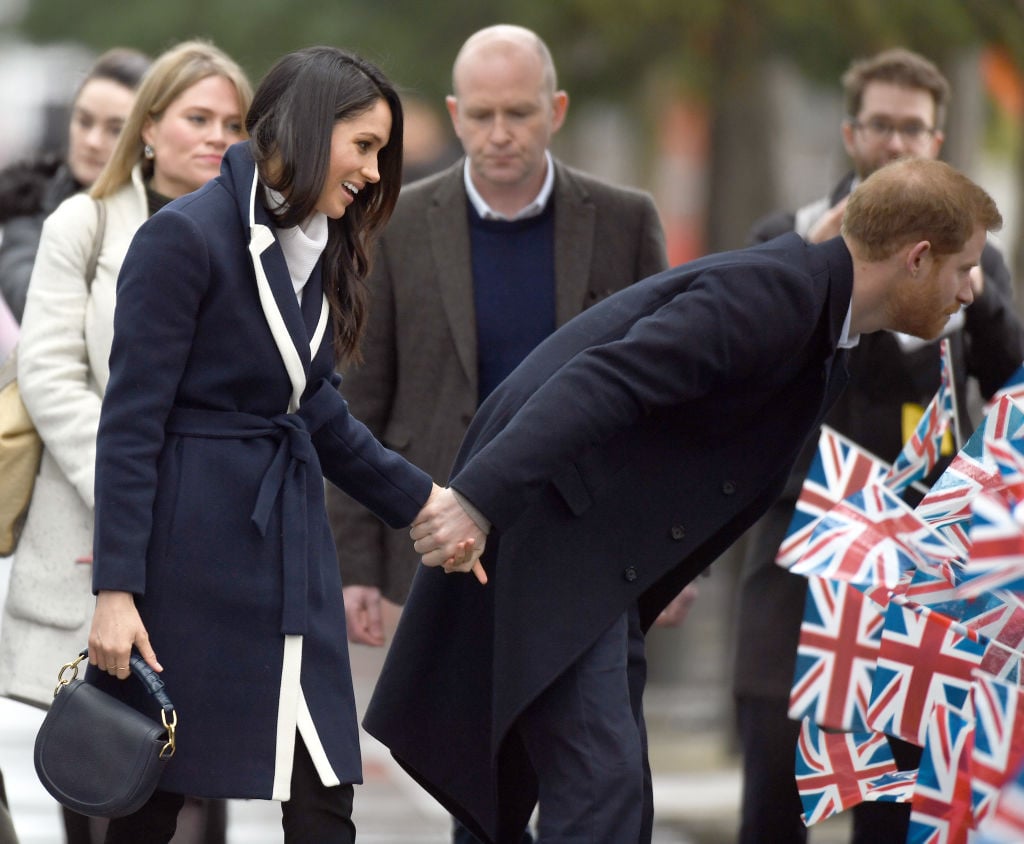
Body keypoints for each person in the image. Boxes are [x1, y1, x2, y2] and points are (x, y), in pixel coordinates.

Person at [364, 156, 1003, 844]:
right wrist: (477, 501)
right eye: (966, 268)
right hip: (557, 543)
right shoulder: (777, 296)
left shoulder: (820, 315)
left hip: (600, 564)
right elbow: (603, 379)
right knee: (600, 792)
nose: (973, 291)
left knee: (610, 798)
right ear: (916, 257)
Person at [82, 45, 471, 844]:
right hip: (188, 558)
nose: (371, 169)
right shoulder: (182, 238)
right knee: (152, 787)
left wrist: (427, 503)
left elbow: (316, 410)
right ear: (308, 123)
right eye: (362, 144)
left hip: (293, 552)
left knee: (326, 784)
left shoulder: (322, 244)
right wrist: (115, 592)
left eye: (380, 151)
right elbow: (129, 426)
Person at [732, 48, 1024, 844]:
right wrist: (814, 267)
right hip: (801, 544)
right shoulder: (786, 237)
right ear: (851, 133)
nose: (897, 146)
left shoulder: (976, 263)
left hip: (918, 564)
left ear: (937, 141)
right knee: (773, 780)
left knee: (899, 799)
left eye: (914, 130)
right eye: (882, 127)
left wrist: (978, 296)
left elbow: (1010, 390)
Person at [326, 23, 669, 649]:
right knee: (444, 745)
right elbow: (357, 405)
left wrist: (678, 548)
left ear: (556, 109)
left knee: (589, 742)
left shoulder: (625, 221)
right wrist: (355, 569)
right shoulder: (391, 230)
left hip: (585, 539)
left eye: (519, 112)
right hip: (437, 538)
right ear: (455, 117)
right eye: (482, 115)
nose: (501, 133)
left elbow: (666, 399)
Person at [0, 40, 250, 844]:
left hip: (217, 533)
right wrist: (131, 486)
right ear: (149, 129)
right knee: (101, 752)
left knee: (207, 753)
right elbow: (48, 372)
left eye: (234, 122)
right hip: (96, 517)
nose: (217, 136)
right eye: (198, 117)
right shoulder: (85, 222)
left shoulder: (258, 240)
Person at [0, 47, 152, 323]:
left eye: (116, 129)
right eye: (84, 121)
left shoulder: (170, 208)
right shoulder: (28, 202)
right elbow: (32, 301)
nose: (92, 141)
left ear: (148, 135)